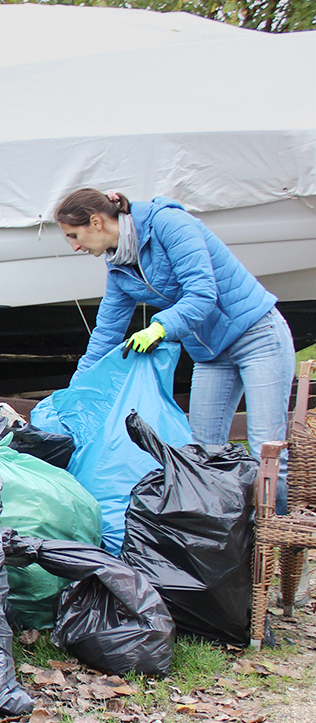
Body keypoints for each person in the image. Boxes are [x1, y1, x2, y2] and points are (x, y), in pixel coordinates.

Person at [58, 187, 295, 509]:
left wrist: (161, 326)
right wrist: (74, 390)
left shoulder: (169, 224)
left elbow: (202, 293)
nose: (74, 246)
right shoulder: (119, 264)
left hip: (256, 336)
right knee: (202, 452)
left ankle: (275, 545)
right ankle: (235, 540)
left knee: (266, 448)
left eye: (74, 235)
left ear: (97, 222)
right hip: (211, 354)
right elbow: (106, 333)